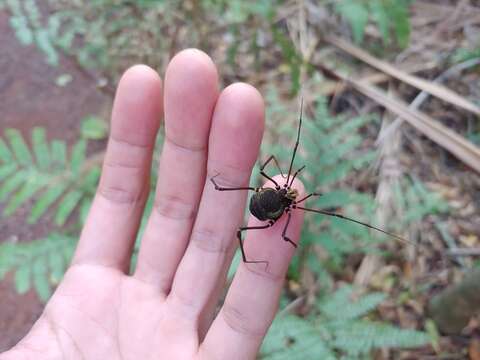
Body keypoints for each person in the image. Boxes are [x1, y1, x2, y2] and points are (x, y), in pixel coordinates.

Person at [0, 49, 304, 360]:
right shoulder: (278, 196)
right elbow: (268, 189)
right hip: (262, 205)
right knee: (262, 206)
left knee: (267, 211)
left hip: (266, 206)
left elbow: (273, 204)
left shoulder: (283, 197)